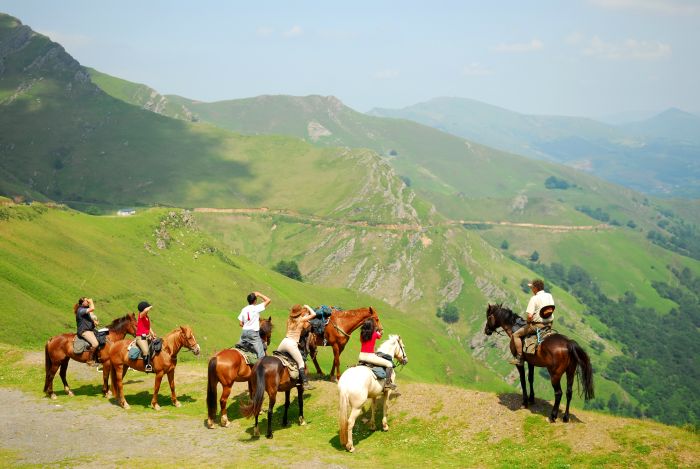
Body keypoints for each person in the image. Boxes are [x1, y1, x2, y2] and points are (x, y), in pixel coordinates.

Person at [509, 279, 555, 366]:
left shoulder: (534, 298)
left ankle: (519, 358)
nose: (531, 290)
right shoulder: (549, 296)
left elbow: (529, 316)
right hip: (549, 325)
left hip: (537, 326)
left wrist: (528, 322)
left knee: (516, 335)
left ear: (535, 288)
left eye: (532, 288)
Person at [276, 304, 317, 390]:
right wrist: (308, 306)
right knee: (301, 363)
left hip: (284, 341)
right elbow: (314, 314)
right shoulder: (301, 320)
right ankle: (305, 383)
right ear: (300, 312)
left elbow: (287, 332)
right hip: (292, 344)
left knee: (277, 358)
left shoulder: (289, 320)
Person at [358, 318, 398, 392]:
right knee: (389, 364)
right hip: (370, 356)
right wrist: (379, 330)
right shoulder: (375, 334)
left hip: (361, 356)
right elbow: (380, 335)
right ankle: (387, 384)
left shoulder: (362, 334)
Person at [237, 291, 271, 360]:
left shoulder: (244, 309)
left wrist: (247, 325)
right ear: (255, 301)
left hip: (244, 333)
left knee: (237, 348)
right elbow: (268, 300)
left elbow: (240, 323)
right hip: (253, 335)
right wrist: (258, 294)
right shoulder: (256, 308)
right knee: (262, 355)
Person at [75, 297, 99, 365]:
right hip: (84, 331)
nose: (87, 301)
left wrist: (94, 321)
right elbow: (92, 308)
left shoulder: (85, 310)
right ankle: (89, 360)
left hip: (90, 330)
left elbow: (90, 315)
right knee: (95, 344)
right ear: (82, 303)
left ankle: (97, 358)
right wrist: (91, 301)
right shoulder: (81, 310)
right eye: (86, 301)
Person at [136, 301, 157, 372]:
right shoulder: (141, 315)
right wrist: (150, 306)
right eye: (147, 307)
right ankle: (147, 366)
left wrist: (152, 333)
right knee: (146, 351)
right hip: (140, 338)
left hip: (148, 336)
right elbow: (146, 310)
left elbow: (148, 327)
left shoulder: (146, 317)